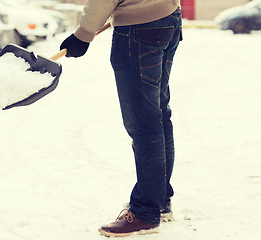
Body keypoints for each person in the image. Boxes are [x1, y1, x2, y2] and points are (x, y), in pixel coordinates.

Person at [60, 0, 182, 237]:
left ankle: (146, 212)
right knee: (158, 115)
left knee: (144, 122)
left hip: (139, 30)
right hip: (168, 19)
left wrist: (83, 34)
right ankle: (159, 199)